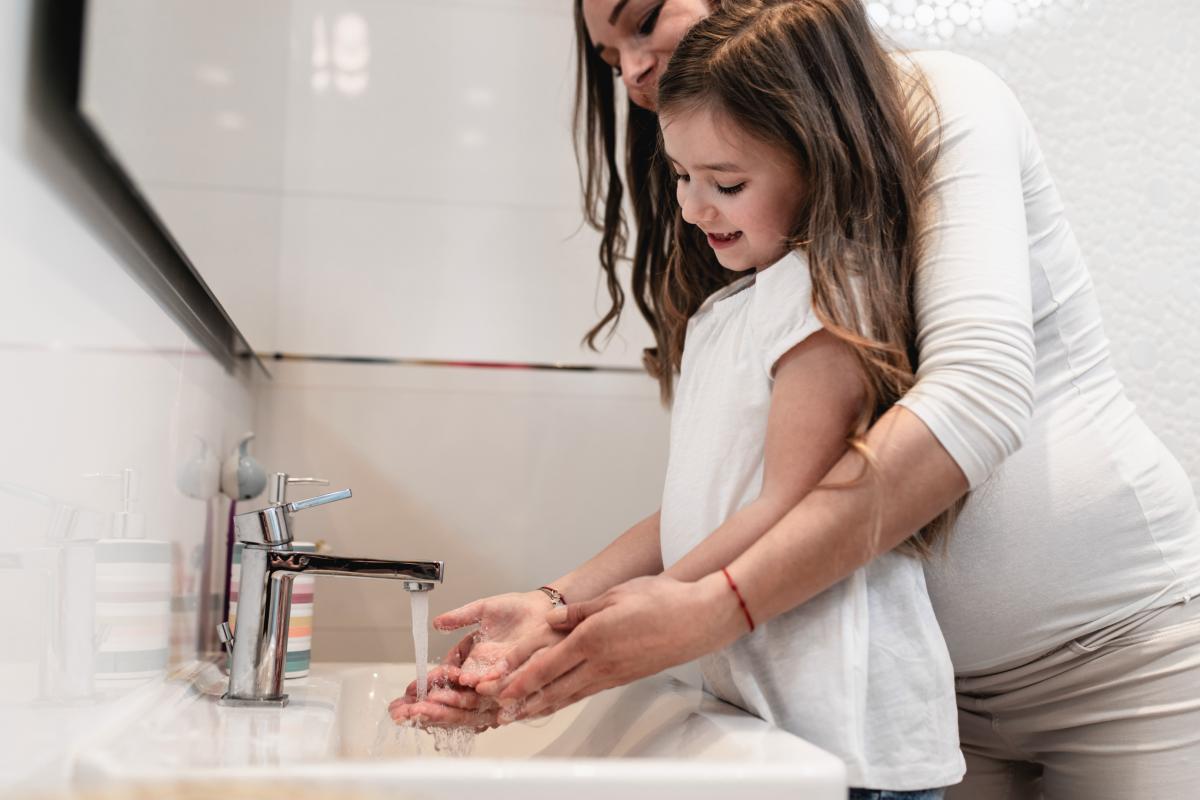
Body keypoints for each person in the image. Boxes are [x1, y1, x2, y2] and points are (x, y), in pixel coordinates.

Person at [392, 1, 1200, 796]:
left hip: (1124, 656)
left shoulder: (938, 100)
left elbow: (978, 394)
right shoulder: (765, 242)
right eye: (610, 59)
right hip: (933, 703)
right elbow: (744, 491)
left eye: (642, 21)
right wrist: (560, 604)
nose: (632, 71)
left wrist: (710, 608)